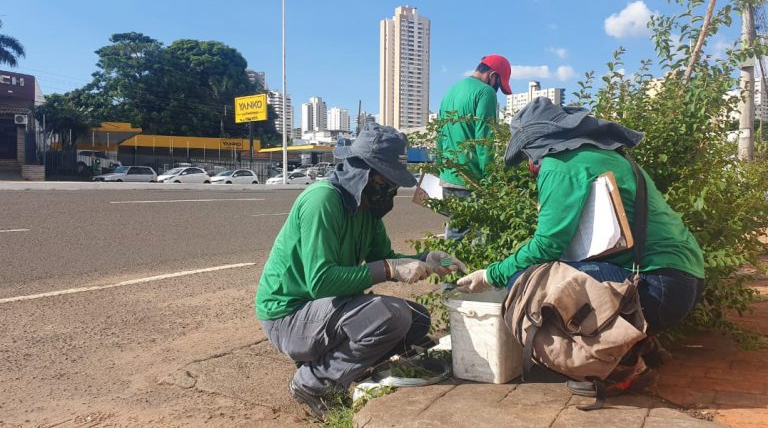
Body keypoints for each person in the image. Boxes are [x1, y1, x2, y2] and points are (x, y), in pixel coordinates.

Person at [456, 97, 706, 396]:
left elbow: (546, 246)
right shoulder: (607, 155)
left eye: (526, 156)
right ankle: (636, 345)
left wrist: (490, 274)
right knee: (560, 273)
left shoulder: (559, 163)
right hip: (682, 283)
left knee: (526, 282)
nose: (529, 164)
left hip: (657, 287)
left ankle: (622, 365)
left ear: (535, 145)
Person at [255, 122, 466, 420]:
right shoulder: (323, 200)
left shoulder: (366, 211)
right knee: (391, 317)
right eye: (387, 180)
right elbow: (321, 282)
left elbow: (386, 258)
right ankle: (313, 382)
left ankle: (337, 368)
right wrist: (390, 269)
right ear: (364, 174)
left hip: (322, 310)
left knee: (417, 322)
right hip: (288, 314)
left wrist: (426, 259)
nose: (391, 188)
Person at [437, 54, 513, 240]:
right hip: (471, 179)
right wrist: (490, 181)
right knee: (480, 239)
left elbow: (439, 134)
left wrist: (441, 168)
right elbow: (484, 140)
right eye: (498, 85)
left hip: (448, 176)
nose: (496, 90)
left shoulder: (452, 90)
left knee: (454, 235)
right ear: (492, 75)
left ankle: (449, 268)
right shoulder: (485, 93)